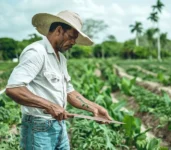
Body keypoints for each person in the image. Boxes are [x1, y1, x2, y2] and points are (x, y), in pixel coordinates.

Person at [5, 10, 112, 150]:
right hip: (38, 128)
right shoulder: (37, 52)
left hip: (59, 125)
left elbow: (69, 92)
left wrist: (95, 108)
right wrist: (50, 106)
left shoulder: (61, 58)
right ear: (59, 30)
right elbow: (14, 88)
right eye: (72, 37)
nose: (73, 42)